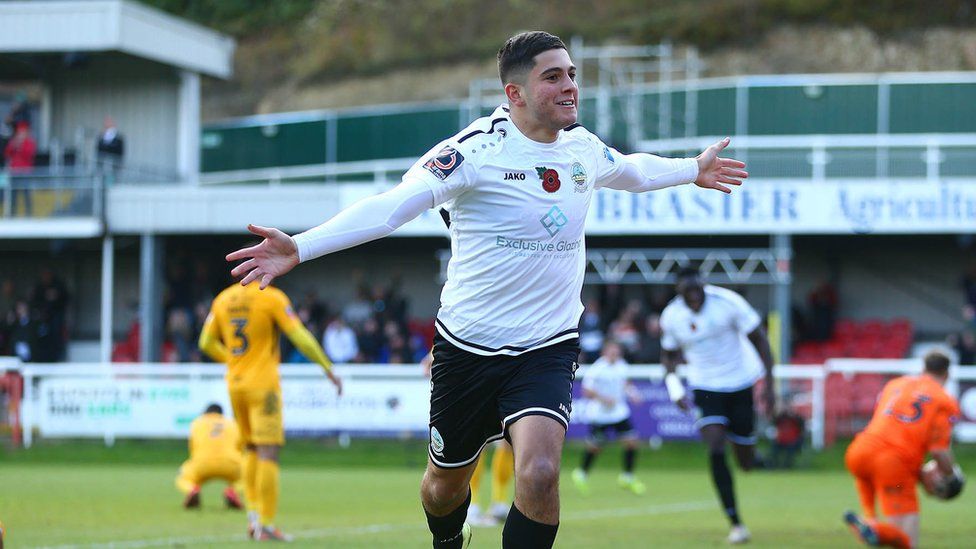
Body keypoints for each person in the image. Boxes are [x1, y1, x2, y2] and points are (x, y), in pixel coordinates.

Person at [226, 30, 746, 549]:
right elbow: (391, 207)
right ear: (514, 94)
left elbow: (631, 169)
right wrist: (302, 247)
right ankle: (448, 540)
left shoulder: (582, 148)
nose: (570, 87)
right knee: (443, 488)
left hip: (547, 345)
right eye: (553, 77)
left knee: (540, 474)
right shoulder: (475, 152)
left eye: (571, 75)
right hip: (467, 348)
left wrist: (690, 170)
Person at [198, 281, 343, 541]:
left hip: (235, 385)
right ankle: (265, 524)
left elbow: (206, 342)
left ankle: (253, 517)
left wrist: (232, 360)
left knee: (250, 448)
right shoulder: (271, 298)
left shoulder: (223, 299)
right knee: (268, 451)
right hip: (263, 386)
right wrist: (327, 367)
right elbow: (299, 335)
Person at [660, 267, 776, 545]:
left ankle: (752, 455)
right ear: (679, 292)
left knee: (745, 462)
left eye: (697, 290)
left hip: (740, 383)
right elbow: (669, 355)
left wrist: (770, 385)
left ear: (703, 285)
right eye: (687, 292)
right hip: (705, 386)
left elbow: (759, 338)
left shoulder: (728, 303)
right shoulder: (672, 316)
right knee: (714, 446)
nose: (694, 297)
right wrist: (674, 388)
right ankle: (735, 522)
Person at [843, 351, 963, 549]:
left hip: (859, 452)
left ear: (923, 369)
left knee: (873, 519)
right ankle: (874, 530)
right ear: (947, 375)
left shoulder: (896, 384)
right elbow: (939, 451)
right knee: (906, 543)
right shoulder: (944, 401)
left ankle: (870, 523)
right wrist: (952, 475)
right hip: (891, 463)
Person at [571, 339, 646, 495]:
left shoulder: (622, 366)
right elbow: (586, 391)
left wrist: (633, 394)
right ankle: (581, 474)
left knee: (632, 442)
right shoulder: (597, 369)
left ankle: (627, 477)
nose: (615, 354)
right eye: (611, 351)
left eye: (617, 351)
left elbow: (625, 383)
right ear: (604, 353)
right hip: (600, 415)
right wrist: (604, 399)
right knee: (595, 447)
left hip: (619, 412)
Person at [176, 403, 245, 510]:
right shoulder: (232, 423)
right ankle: (233, 491)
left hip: (201, 463)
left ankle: (192, 489)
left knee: (183, 477)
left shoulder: (197, 423)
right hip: (231, 463)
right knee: (250, 478)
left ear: (205, 413)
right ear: (221, 414)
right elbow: (240, 447)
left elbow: (192, 447)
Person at [3, 122, 36, 217]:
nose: (21, 134)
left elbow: (29, 155)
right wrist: (15, 145)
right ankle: (12, 214)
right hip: (14, 172)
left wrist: (20, 146)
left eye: (23, 132)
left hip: (26, 172)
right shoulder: (14, 141)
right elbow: (7, 153)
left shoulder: (30, 142)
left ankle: (29, 214)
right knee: (13, 195)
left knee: (26, 194)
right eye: (19, 132)